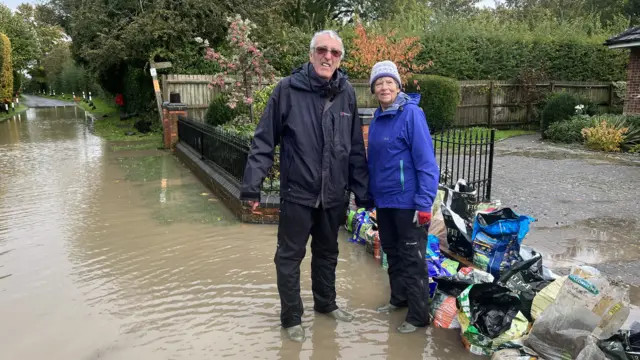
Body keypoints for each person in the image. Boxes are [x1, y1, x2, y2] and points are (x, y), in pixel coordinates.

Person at [239, 30, 370, 343]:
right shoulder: (287, 89)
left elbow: (354, 148)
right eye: (322, 50)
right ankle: (292, 318)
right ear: (311, 54)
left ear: (340, 59)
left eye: (335, 53)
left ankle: (326, 304)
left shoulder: (347, 93)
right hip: (298, 194)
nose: (328, 57)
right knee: (289, 257)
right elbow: (264, 140)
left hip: (333, 196)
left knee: (327, 254)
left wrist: (364, 195)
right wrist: (251, 187)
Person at [366, 61, 439, 333]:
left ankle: (419, 315)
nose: (384, 87)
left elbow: (426, 163)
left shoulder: (412, 114)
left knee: (412, 259)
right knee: (392, 254)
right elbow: (375, 162)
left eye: (389, 82)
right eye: (379, 83)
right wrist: (370, 196)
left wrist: (424, 204)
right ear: (373, 89)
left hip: (408, 202)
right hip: (384, 202)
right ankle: (399, 299)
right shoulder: (377, 118)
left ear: (398, 85)